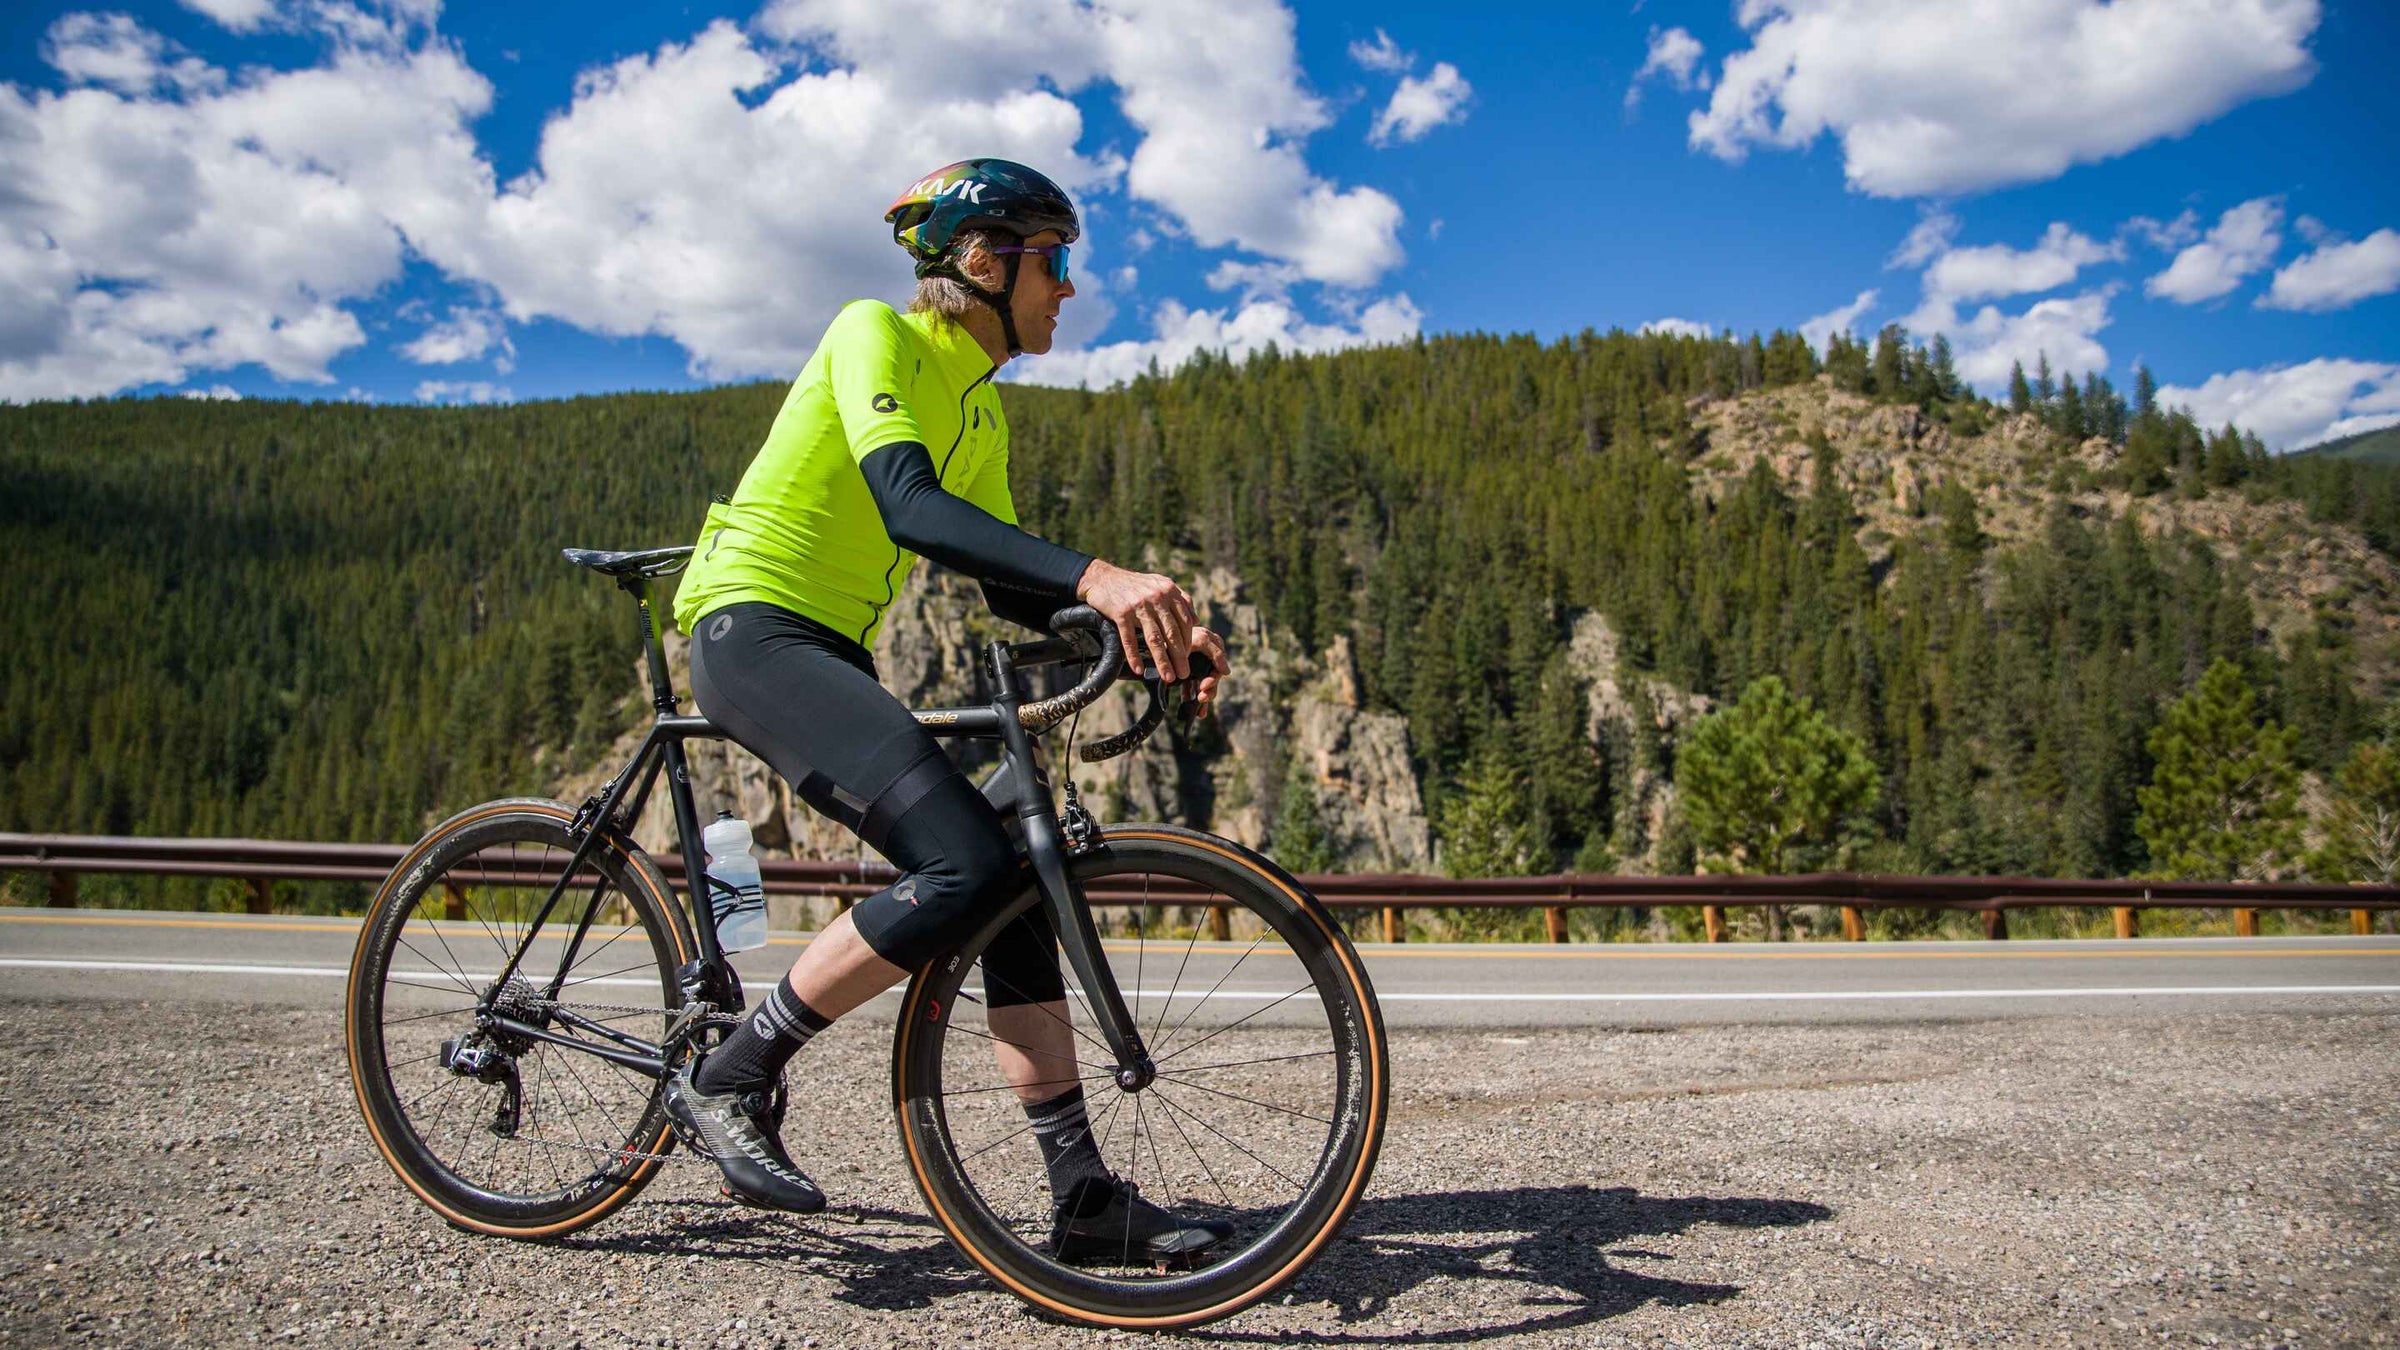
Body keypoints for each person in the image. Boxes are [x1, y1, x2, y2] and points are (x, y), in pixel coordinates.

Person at [665, 158, 1231, 1265]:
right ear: (981, 262)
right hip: (750, 626)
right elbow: (908, 507)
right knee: (963, 864)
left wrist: (1145, 632)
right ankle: (731, 1073)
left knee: (1009, 878)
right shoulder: (873, 331)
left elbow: (1014, 584)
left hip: (829, 645)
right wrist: (1103, 577)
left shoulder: (981, 410)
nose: (1068, 287)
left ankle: (1080, 1198)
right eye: (1053, 260)